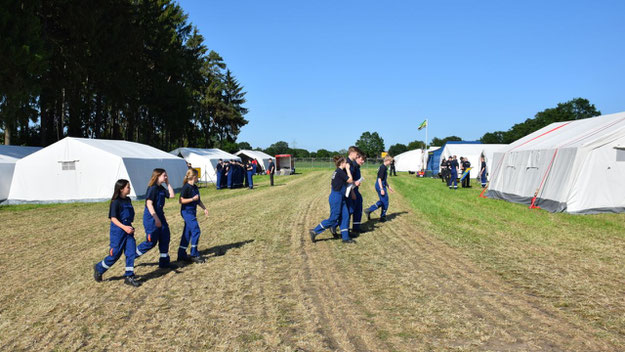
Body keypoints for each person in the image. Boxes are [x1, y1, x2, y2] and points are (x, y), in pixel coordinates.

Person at [93, 179, 141, 287]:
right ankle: (99, 268)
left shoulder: (128, 200)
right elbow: (113, 218)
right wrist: (124, 227)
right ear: (121, 189)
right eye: (128, 187)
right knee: (115, 254)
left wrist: (129, 227)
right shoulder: (115, 202)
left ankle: (129, 276)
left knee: (131, 252)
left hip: (128, 229)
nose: (130, 188)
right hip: (118, 231)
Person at [135, 168, 177, 269]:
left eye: (166, 175)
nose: (166, 177)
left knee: (165, 237)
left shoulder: (161, 188)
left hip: (160, 216)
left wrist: (168, 183)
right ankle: (131, 255)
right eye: (164, 175)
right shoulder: (152, 188)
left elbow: (171, 195)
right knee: (151, 242)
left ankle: (164, 262)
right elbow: (149, 204)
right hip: (151, 218)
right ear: (157, 176)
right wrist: (156, 219)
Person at [309, 155, 355, 244]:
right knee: (334, 218)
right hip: (336, 197)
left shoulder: (339, 172)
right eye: (346, 162)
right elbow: (350, 180)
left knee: (345, 215)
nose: (347, 164)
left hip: (341, 197)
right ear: (342, 163)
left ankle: (345, 237)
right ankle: (315, 231)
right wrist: (348, 169)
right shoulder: (339, 171)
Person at [177, 169, 208, 264]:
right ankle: (194, 254)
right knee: (196, 230)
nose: (198, 178)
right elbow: (181, 200)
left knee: (188, 232)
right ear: (193, 177)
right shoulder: (186, 187)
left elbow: (198, 200)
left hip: (192, 211)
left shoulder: (195, 187)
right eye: (197, 176)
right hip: (186, 212)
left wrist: (204, 208)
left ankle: (181, 254)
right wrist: (192, 199)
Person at [364, 156, 394, 222]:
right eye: (390, 161)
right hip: (380, 186)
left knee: (383, 201)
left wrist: (389, 187)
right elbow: (379, 179)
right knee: (385, 201)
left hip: (382, 185)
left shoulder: (384, 168)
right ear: (387, 161)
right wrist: (381, 189)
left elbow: (384, 179)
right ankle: (382, 216)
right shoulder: (382, 168)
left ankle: (369, 210)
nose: (391, 163)